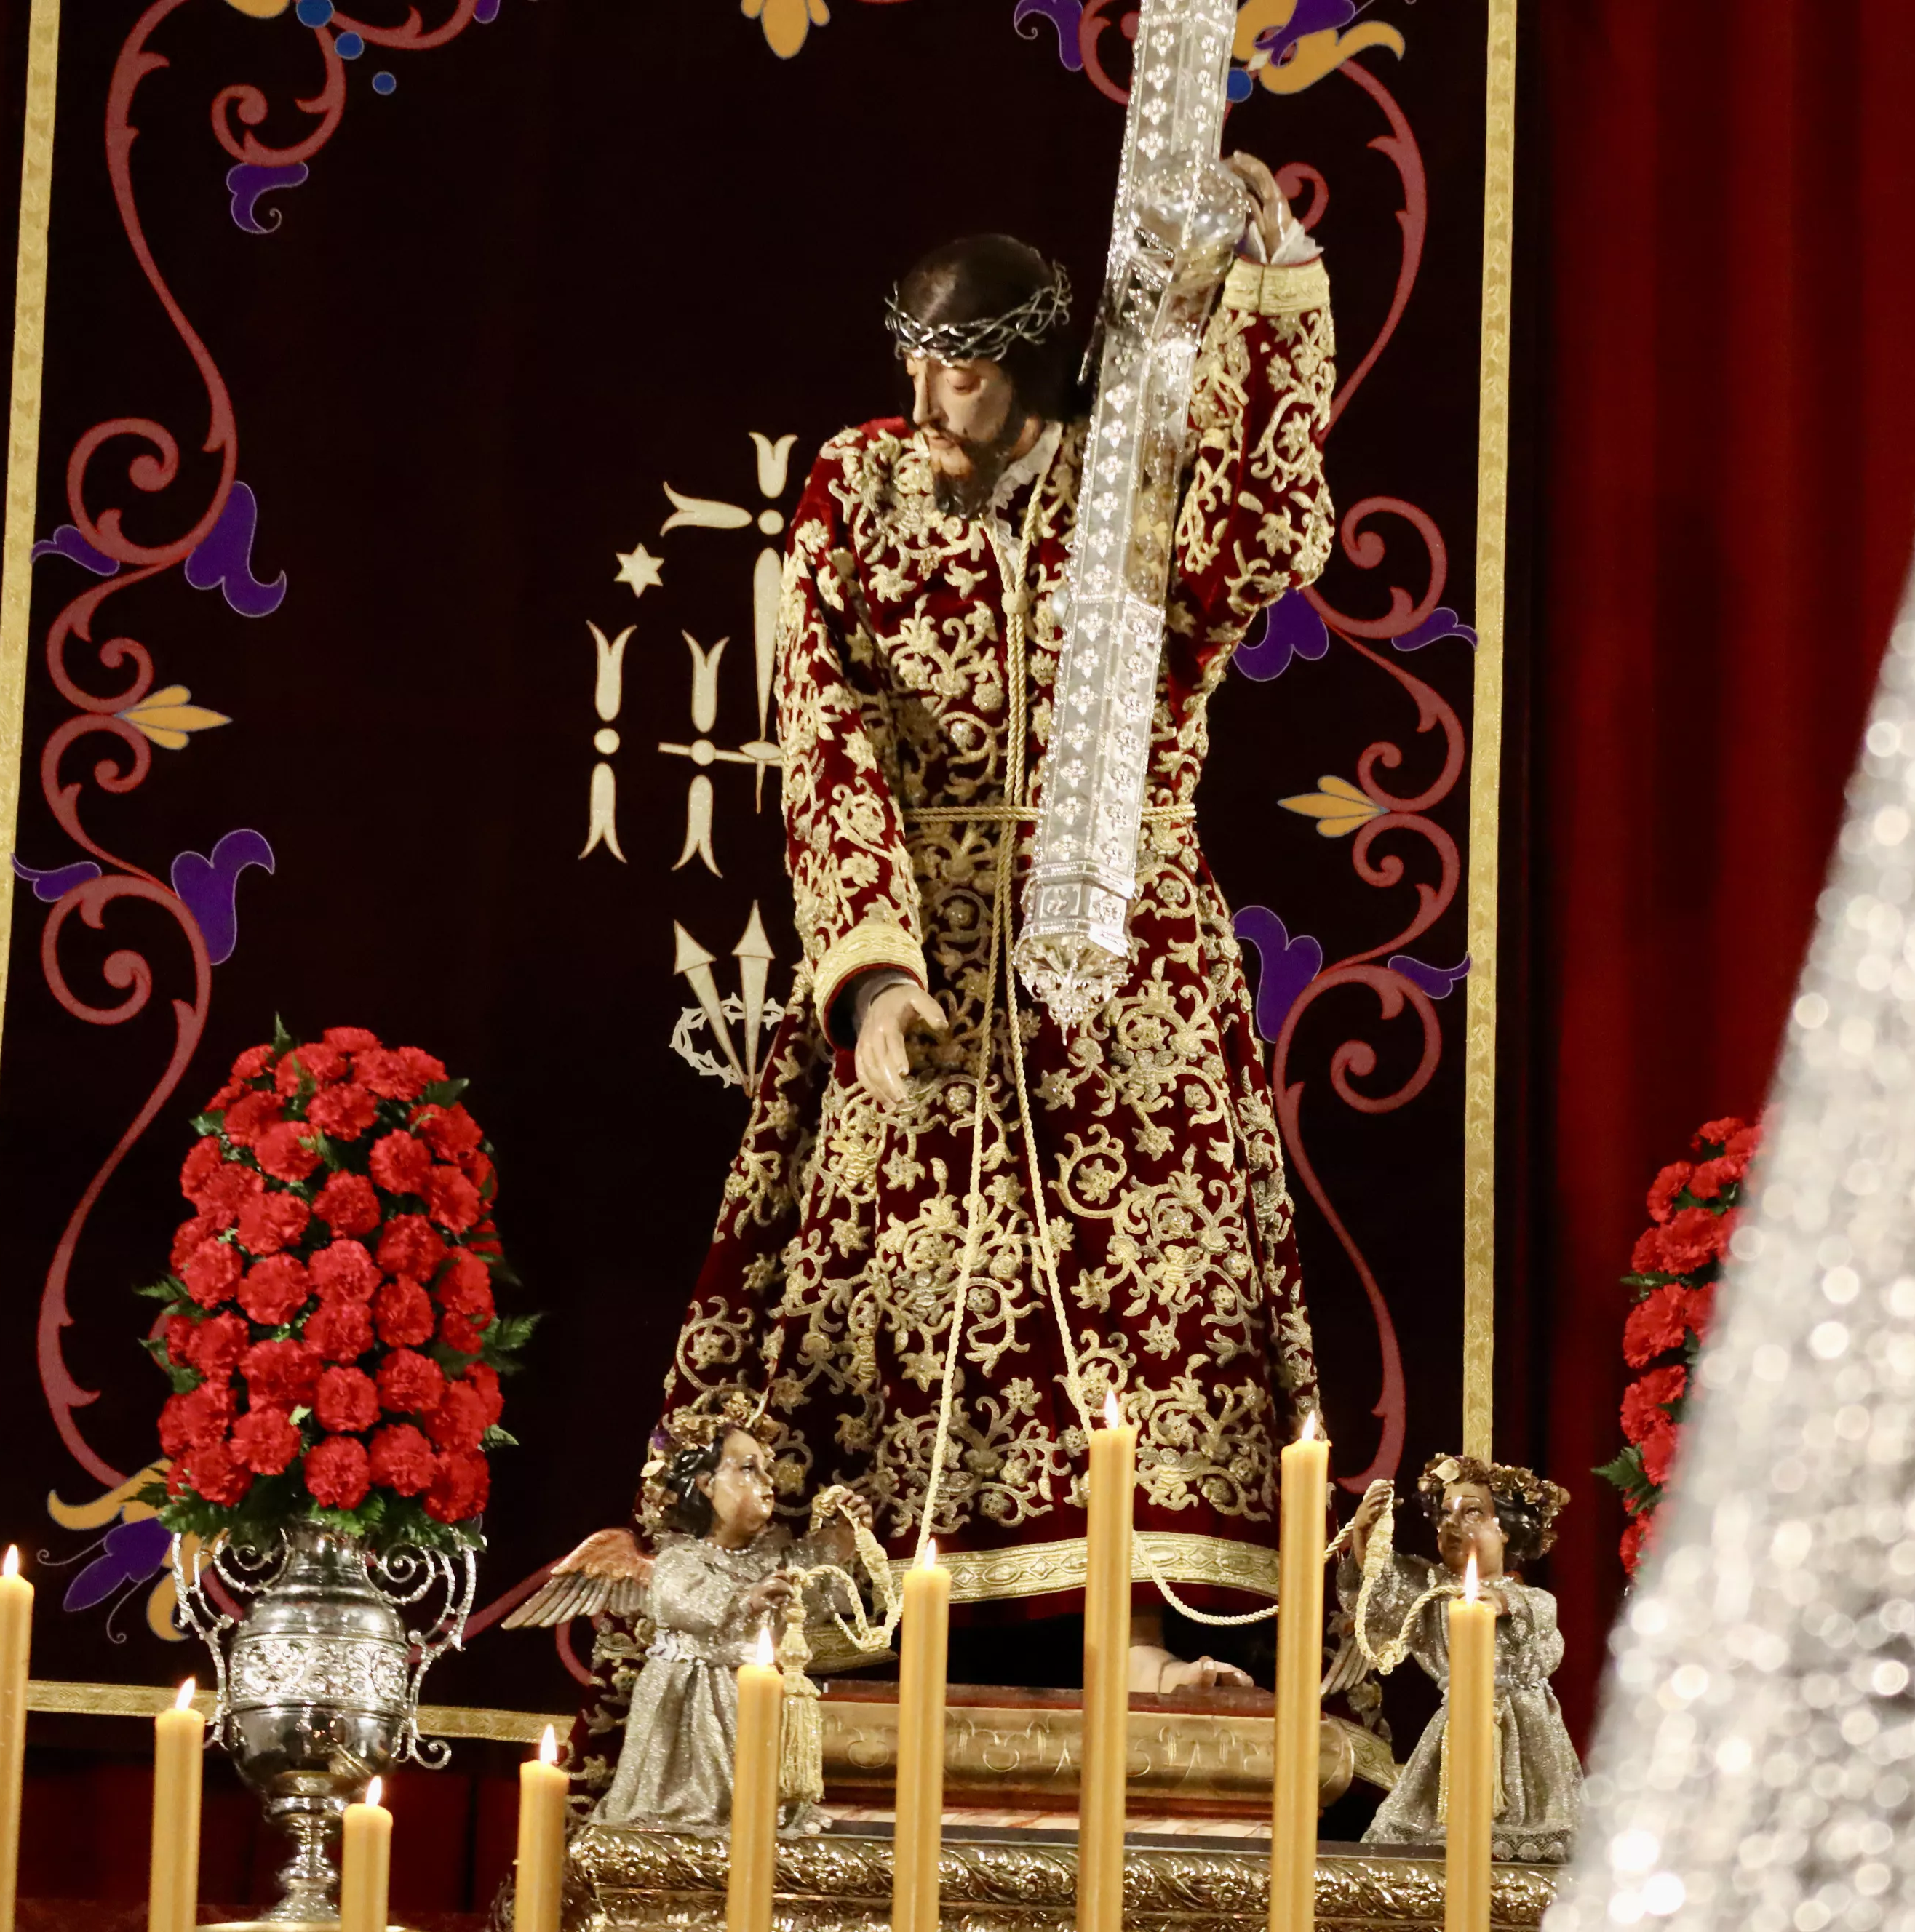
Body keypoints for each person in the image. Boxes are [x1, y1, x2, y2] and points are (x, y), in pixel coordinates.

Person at [648, 153, 1332, 1697]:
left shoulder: (1134, 485)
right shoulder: (857, 486)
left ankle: (1140, 1627)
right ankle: (847, 1626)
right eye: (913, 360)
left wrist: (1272, 286)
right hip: (925, 937)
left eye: (956, 373)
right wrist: (873, 971)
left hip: (1124, 934)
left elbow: (1270, 529)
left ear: (1024, 370)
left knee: (1147, 1280)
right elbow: (825, 735)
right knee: (894, 1273)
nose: (925, 394)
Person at [580, 1413, 862, 1834]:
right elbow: (678, 1602)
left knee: (756, 1803)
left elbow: (819, 1589)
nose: (768, 1481)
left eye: (767, 1469)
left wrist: (844, 1537)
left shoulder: (776, 1555)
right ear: (706, 1485)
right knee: (679, 1808)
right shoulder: (680, 1557)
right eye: (748, 1469)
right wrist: (744, 1600)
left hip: (752, 1699)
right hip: (688, 1696)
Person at [1341, 1453, 1581, 1861]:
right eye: (1445, 1514)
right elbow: (1385, 1591)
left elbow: (1543, 1633)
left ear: (1505, 1528)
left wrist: (1505, 1603)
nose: (1453, 1524)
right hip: (1458, 1725)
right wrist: (1365, 1537)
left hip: (1528, 1729)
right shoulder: (1434, 1594)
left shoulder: (1531, 1600)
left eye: (1472, 1512)